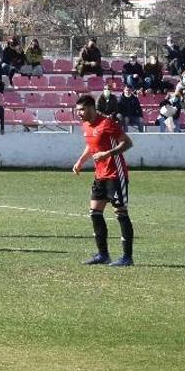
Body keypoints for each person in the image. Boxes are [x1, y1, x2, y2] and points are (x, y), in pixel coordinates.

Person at [72, 94, 135, 267]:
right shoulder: (85, 125)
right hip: (100, 175)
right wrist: (80, 161)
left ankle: (127, 257)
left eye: (82, 110)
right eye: (77, 110)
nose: (79, 113)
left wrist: (107, 154)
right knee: (95, 212)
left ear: (92, 108)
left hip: (115, 174)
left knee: (120, 213)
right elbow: (91, 145)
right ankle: (103, 254)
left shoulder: (107, 123)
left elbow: (128, 143)